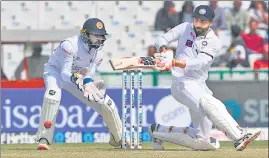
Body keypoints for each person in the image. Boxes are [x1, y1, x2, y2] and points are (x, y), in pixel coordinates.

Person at [149, 5, 261, 151]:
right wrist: (164, 50)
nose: (198, 25)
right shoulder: (185, 27)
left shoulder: (214, 42)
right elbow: (162, 39)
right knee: (208, 102)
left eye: (203, 22)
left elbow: (197, 63)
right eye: (196, 20)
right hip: (181, 83)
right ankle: (239, 136)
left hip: (199, 84)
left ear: (211, 23)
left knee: (204, 141)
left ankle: (157, 131)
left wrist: (174, 62)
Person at [36, 18, 132, 150]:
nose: (99, 39)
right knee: (53, 96)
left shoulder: (99, 53)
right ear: (85, 34)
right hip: (56, 72)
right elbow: (64, 73)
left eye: (101, 36)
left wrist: (87, 82)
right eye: (95, 35)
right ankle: (44, 138)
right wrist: (77, 78)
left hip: (78, 75)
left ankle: (118, 137)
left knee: (104, 102)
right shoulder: (69, 45)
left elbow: (89, 74)